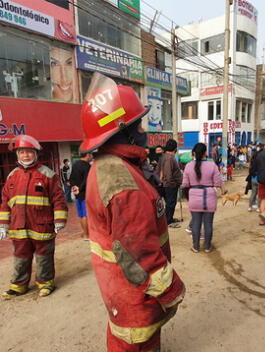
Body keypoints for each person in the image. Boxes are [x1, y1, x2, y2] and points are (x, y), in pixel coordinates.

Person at [80, 74, 185, 352]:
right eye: (138, 124)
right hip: (136, 293)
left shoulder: (108, 166)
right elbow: (138, 252)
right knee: (136, 341)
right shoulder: (121, 180)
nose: (143, 130)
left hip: (120, 287)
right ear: (122, 130)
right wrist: (171, 289)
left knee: (126, 338)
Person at [0, 135, 68, 298]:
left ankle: (45, 283)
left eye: (29, 152)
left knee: (44, 256)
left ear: (35, 153)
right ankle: (18, 285)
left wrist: (59, 220)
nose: (25, 155)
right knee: (20, 256)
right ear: (17, 155)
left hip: (42, 225)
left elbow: (58, 199)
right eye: (22, 152)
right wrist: (2, 225)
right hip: (18, 227)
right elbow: (5, 202)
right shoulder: (12, 176)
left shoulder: (48, 174)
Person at [182, 143, 222, 253]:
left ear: (194, 153)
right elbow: (218, 183)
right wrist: (212, 188)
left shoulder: (188, 166)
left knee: (196, 223)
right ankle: (208, 247)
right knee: (208, 224)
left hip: (194, 197)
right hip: (209, 197)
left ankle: (195, 247)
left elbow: (185, 184)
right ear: (205, 153)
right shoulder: (212, 165)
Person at [160, 139, 183, 228]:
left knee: (171, 203)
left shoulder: (167, 157)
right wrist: (174, 183)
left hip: (171, 184)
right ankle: (169, 221)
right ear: (175, 148)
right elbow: (169, 174)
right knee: (170, 203)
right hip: (171, 185)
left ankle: (170, 218)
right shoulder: (169, 158)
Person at [70, 152, 92, 239]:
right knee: (86, 215)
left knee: (81, 215)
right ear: (87, 155)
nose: (91, 156)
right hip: (85, 194)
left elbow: (71, 178)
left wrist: (75, 187)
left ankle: (84, 232)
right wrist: (80, 188)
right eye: (91, 155)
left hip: (77, 194)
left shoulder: (75, 165)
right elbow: (87, 180)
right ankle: (87, 235)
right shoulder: (87, 166)